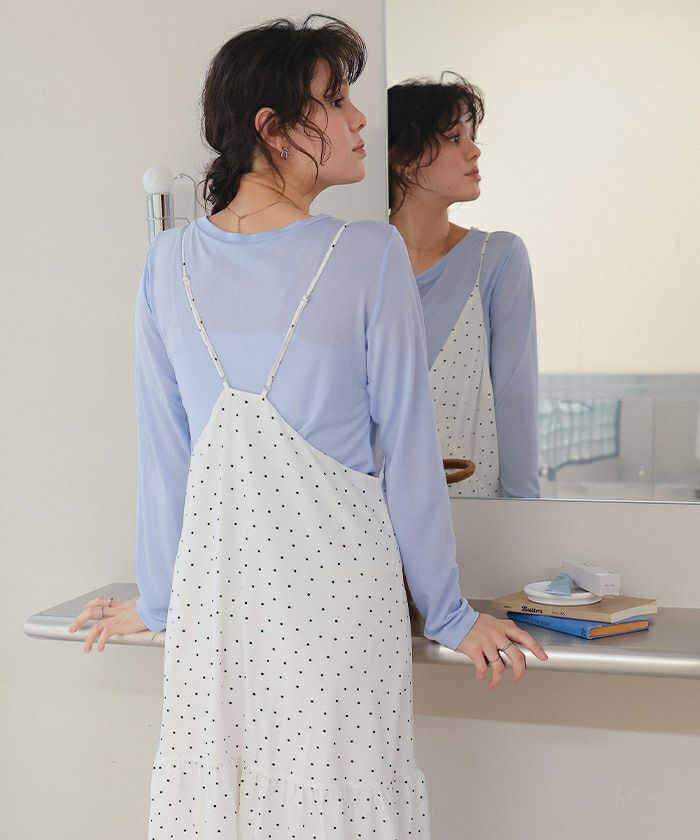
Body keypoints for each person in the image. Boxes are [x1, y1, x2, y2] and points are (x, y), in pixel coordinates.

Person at [68, 17, 546, 837]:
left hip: (217, 611)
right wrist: (449, 614)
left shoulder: (167, 262)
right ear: (274, 128)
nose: (360, 119)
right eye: (338, 100)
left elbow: (167, 460)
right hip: (338, 609)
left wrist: (159, 598)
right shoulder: (369, 254)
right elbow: (410, 455)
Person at [388, 73, 540, 498]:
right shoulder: (357, 262)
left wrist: (528, 515)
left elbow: (516, 400)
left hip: (476, 519)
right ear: (403, 159)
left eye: (471, 137)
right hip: (368, 520)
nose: (474, 150)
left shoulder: (497, 259)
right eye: (455, 138)